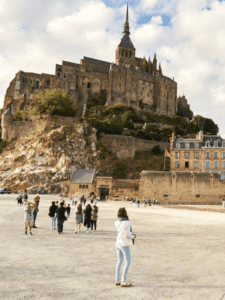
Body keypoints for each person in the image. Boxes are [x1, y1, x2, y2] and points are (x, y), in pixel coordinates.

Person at [114, 207, 136, 287]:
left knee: (119, 261)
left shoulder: (116, 222)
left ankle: (117, 280)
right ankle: (123, 281)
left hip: (118, 243)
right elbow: (128, 234)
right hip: (124, 244)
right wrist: (133, 236)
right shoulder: (127, 222)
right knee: (128, 261)